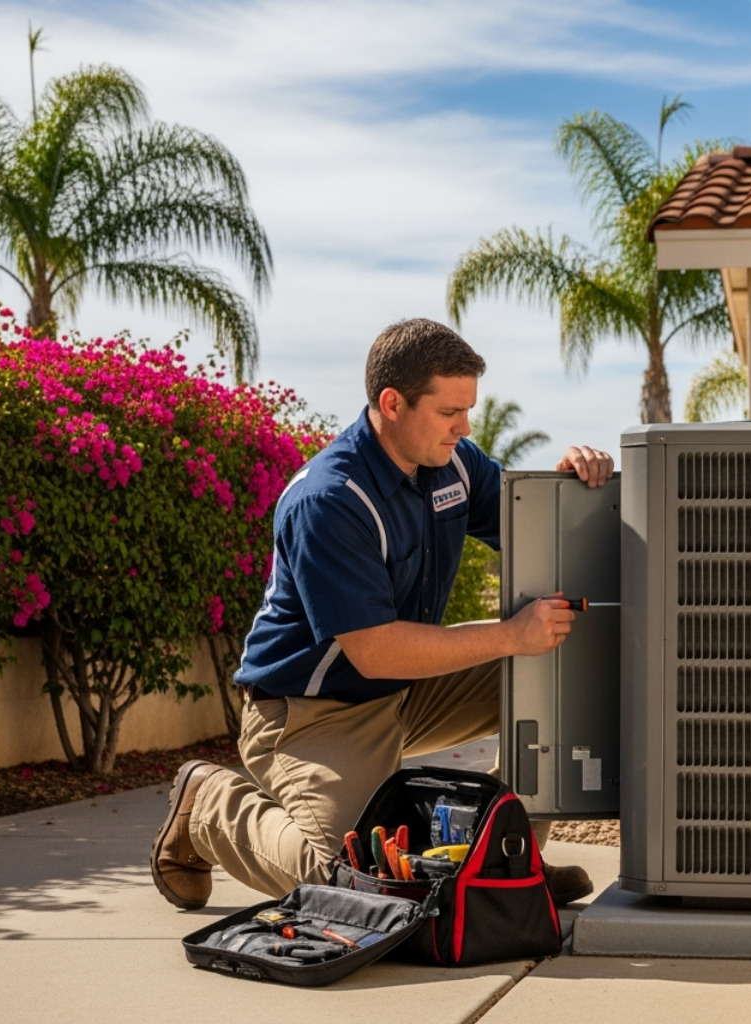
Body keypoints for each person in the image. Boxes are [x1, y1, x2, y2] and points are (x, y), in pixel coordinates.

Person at [150, 317, 611, 910]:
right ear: (392, 403)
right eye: (450, 413)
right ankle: (208, 806)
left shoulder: (456, 466)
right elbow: (375, 651)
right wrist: (507, 635)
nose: (465, 427)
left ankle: (507, 861)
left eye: (468, 411)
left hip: (408, 691)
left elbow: (537, 528)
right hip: (314, 713)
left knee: (550, 655)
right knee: (350, 878)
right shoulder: (328, 501)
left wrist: (569, 481)